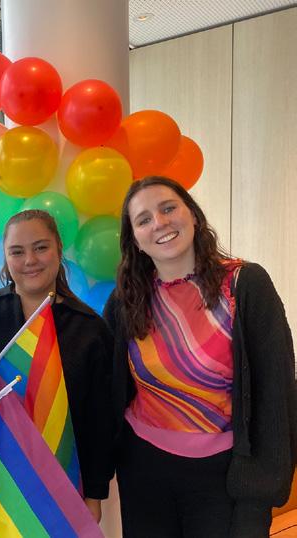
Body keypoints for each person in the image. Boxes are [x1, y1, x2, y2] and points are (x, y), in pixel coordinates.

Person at [103, 176, 297, 538]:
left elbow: (277, 392)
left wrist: (259, 495)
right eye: (144, 219)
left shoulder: (245, 285)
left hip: (224, 477)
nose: (159, 223)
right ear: (135, 240)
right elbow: (104, 383)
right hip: (143, 471)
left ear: (192, 214)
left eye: (168, 208)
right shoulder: (125, 299)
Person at [0, 209, 115, 522]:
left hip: (59, 489)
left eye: (40, 247)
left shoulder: (90, 329)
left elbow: (101, 421)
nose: (30, 260)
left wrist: (94, 495)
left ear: (59, 250)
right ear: (5, 257)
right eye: (17, 251)